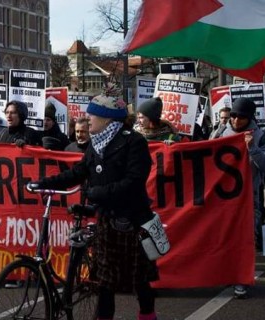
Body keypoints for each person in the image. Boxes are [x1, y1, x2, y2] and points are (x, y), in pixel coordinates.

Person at [31, 93, 159, 320]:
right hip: (107, 220)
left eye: (93, 114)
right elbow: (78, 173)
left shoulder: (134, 142)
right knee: (105, 284)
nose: (87, 118)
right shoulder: (95, 144)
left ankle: (147, 315)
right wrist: (44, 183)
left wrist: (100, 193)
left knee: (140, 280)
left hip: (132, 220)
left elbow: (134, 181)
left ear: (108, 118)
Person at [220, 97, 265, 298]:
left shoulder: (260, 137)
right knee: (225, 237)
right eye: (233, 116)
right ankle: (227, 273)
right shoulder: (220, 131)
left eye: (240, 117)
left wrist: (253, 149)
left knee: (246, 238)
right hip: (223, 199)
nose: (235, 120)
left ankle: (242, 279)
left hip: (248, 197)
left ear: (249, 117)